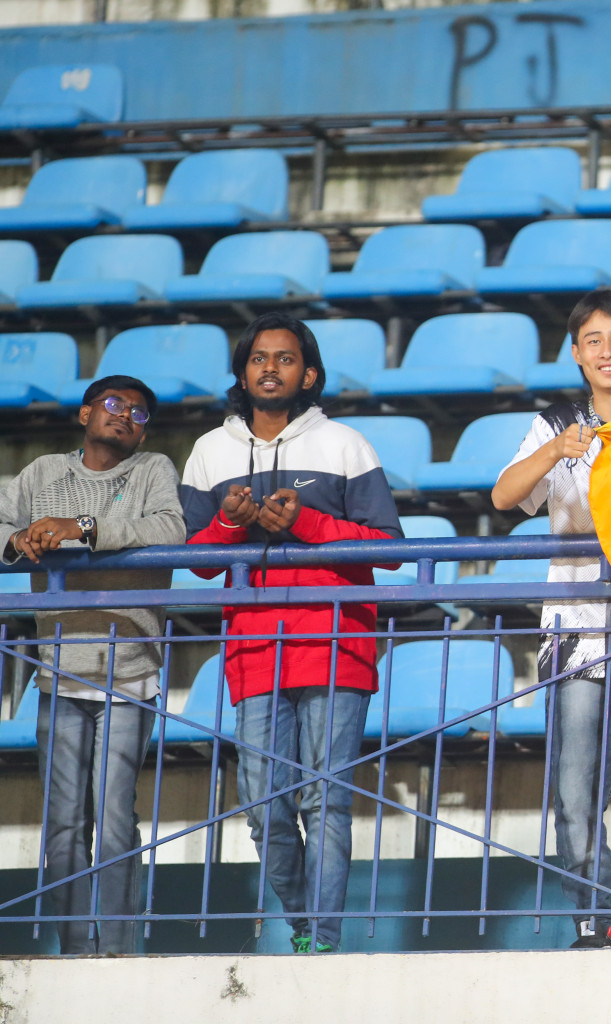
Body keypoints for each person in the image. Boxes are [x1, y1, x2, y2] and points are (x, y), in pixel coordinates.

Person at [180, 314, 402, 953]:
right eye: (258, 358)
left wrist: (308, 525)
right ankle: (303, 924)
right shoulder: (210, 451)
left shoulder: (345, 444)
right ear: (243, 372)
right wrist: (227, 526)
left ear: (308, 374)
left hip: (337, 646)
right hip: (253, 649)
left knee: (324, 802)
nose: (269, 368)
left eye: (284, 358)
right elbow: (196, 556)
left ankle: (322, 940)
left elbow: (389, 548)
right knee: (263, 807)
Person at [491, 289, 611, 949]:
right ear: (577, 353)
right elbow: (505, 496)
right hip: (576, 634)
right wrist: (555, 452)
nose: (608, 350)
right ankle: (600, 921)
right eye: (594, 340)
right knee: (575, 800)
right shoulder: (555, 423)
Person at [0, 375, 184, 955]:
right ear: (84, 414)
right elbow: (2, 528)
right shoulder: (42, 474)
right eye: (113, 404)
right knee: (62, 823)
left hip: (129, 670)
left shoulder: (154, 469)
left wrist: (82, 528)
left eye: (138, 411)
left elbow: (170, 529)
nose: (125, 415)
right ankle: (77, 950)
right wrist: (20, 542)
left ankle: (119, 950)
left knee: (113, 816)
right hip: (58, 671)